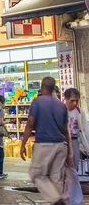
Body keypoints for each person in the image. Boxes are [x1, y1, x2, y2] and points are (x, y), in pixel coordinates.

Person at [21, 77, 71, 205]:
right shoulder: (61, 105)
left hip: (45, 144)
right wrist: (69, 152)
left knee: (37, 174)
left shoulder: (37, 102)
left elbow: (30, 124)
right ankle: (58, 200)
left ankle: (56, 200)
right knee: (56, 178)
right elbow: (66, 130)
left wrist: (23, 144)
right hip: (62, 145)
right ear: (54, 88)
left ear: (42, 87)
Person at [63, 88, 89, 171]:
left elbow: (85, 128)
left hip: (74, 140)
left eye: (77, 101)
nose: (75, 103)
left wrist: (86, 144)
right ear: (66, 99)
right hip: (62, 141)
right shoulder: (60, 110)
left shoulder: (79, 111)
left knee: (74, 165)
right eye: (72, 100)